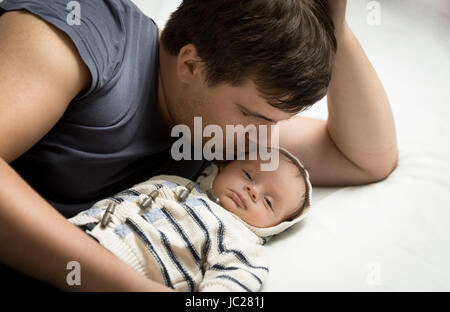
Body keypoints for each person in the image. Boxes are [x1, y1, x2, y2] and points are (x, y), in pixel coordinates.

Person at [0, 0, 398, 291]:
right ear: (190, 64)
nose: (258, 139)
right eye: (256, 117)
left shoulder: (213, 123)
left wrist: (334, 24)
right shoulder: (84, 32)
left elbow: (364, 158)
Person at [68, 147, 312, 291]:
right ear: (224, 167)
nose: (253, 191)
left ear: (275, 227)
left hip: (125, 273)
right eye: (248, 174)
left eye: (268, 202)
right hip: (74, 237)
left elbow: (231, 284)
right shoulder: (174, 183)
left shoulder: (240, 243)